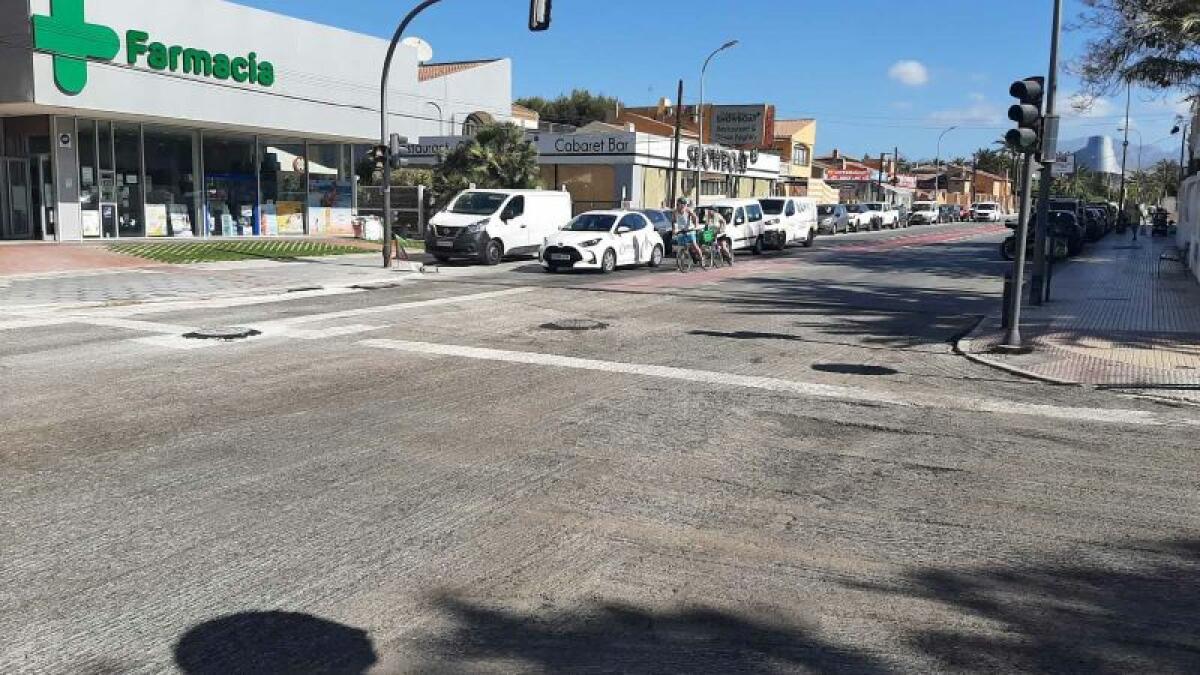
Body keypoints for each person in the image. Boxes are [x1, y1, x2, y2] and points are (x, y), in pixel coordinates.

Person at [673, 197, 704, 265]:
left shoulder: (688, 210)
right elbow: (674, 222)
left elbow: (695, 218)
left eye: (680, 204)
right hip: (681, 230)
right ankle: (681, 264)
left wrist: (696, 225)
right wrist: (674, 230)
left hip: (690, 230)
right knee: (682, 247)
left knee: (694, 245)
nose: (678, 206)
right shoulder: (675, 212)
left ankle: (701, 259)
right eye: (678, 204)